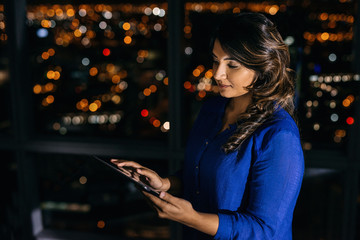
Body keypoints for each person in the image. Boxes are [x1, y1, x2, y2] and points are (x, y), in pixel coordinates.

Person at [112, 12, 304, 240]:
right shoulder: (211, 111)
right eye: (215, 60)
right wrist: (164, 183)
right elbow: (201, 178)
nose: (217, 73)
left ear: (261, 68)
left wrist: (191, 218)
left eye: (232, 65)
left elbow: (265, 230)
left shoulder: (279, 135)